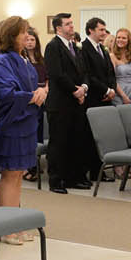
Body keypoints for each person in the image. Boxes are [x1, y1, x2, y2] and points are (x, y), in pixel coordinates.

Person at [0, 17, 47, 244]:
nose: (27, 36)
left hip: (27, 122)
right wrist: (33, 96)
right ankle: (6, 229)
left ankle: (15, 224)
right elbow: (7, 93)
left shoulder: (24, 59)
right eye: (23, 32)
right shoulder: (3, 61)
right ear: (12, 35)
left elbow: (34, 86)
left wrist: (41, 92)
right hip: (12, 124)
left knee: (19, 174)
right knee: (10, 174)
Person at [42, 12, 94, 193]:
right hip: (60, 102)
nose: (72, 26)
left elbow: (84, 71)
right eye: (68, 24)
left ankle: (73, 178)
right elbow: (57, 74)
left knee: (76, 141)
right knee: (59, 143)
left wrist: (84, 88)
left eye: (72, 23)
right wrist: (75, 90)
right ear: (58, 28)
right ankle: (56, 180)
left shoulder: (75, 46)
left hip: (77, 102)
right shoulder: (53, 47)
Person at [78, 18, 118, 118]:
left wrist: (112, 90)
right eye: (101, 30)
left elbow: (111, 72)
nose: (104, 33)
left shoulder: (103, 49)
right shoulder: (82, 48)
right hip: (93, 98)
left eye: (105, 30)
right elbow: (88, 74)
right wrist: (107, 90)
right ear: (91, 30)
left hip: (108, 98)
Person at [110, 27, 131, 106]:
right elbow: (112, 79)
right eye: (118, 37)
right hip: (119, 94)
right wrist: (123, 96)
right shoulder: (112, 56)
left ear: (128, 41)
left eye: (124, 38)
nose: (120, 40)